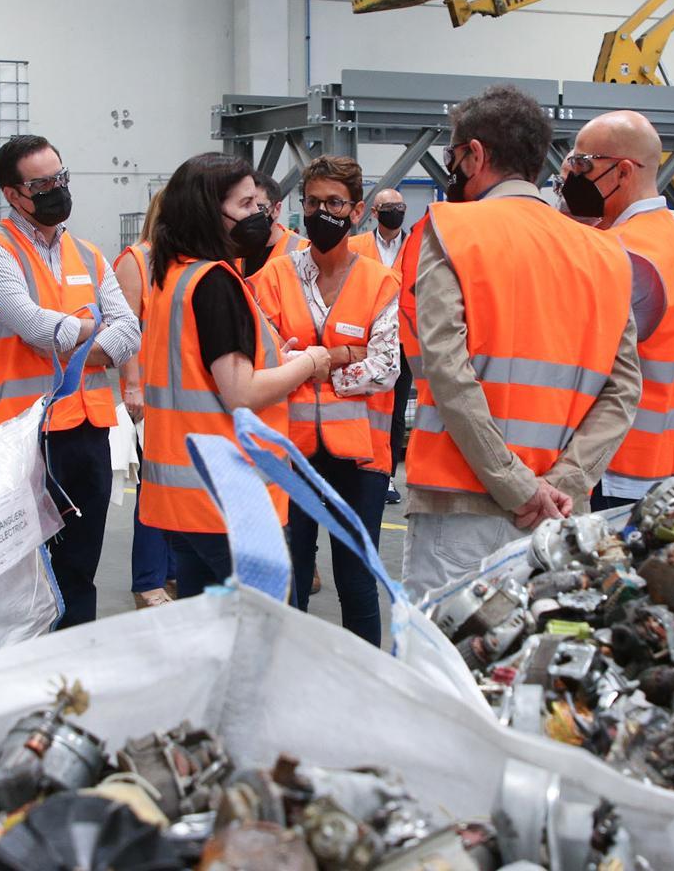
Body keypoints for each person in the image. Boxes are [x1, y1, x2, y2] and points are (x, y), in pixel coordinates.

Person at [398, 85, 641, 596]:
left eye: (453, 157)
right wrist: (564, 484)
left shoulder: (453, 229)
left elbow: (446, 370)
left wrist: (516, 483)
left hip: (461, 505)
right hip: (556, 517)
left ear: (475, 154)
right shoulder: (606, 255)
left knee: (442, 668)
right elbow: (623, 392)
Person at [0, 134, 139, 628]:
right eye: (42, 184)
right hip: (25, 434)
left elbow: (130, 334)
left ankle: (74, 666)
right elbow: (37, 327)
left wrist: (75, 335)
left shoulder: (89, 254)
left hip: (89, 430)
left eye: (61, 178)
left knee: (80, 567)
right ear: (13, 194)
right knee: (26, 570)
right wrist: (91, 328)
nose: (56, 190)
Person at [139, 153, 336, 596]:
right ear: (211, 213)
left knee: (209, 630)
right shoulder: (215, 282)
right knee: (255, 635)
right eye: (246, 204)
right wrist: (309, 363)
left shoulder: (175, 275)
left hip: (187, 493)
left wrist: (274, 361)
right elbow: (240, 392)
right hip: (231, 498)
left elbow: (204, 372)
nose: (259, 215)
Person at [249, 156, 402, 645]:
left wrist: (310, 364)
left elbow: (386, 368)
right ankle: (286, 680)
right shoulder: (272, 278)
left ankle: (364, 683)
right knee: (287, 576)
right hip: (288, 453)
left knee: (356, 580)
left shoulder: (381, 282)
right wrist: (342, 355)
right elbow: (261, 361)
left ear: (357, 211)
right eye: (312, 202)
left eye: (334, 203)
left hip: (359, 458)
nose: (322, 213)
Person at [560, 111, 674, 511]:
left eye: (582, 165)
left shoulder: (623, 253)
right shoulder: (670, 240)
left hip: (615, 462)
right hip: (660, 456)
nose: (572, 177)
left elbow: (577, 352)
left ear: (623, 172)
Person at [113, 189, 177, 608]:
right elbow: (126, 328)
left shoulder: (184, 263)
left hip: (184, 397)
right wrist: (133, 386)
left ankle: (171, 573)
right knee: (155, 487)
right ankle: (149, 580)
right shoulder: (136, 260)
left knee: (177, 488)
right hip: (150, 396)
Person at [348, 188, 412, 505]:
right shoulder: (356, 246)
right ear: (374, 212)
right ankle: (353, 469)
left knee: (396, 413)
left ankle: (385, 477)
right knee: (360, 409)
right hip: (365, 341)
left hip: (402, 341)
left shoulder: (417, 247)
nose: (396, 211)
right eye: (389, 207)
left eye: (400, 207)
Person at [243, 169, 307, 276]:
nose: (253, 213)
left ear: (277, 209)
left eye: (260, 208)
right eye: (246, 205)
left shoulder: (302, 250)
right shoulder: (234, 248)